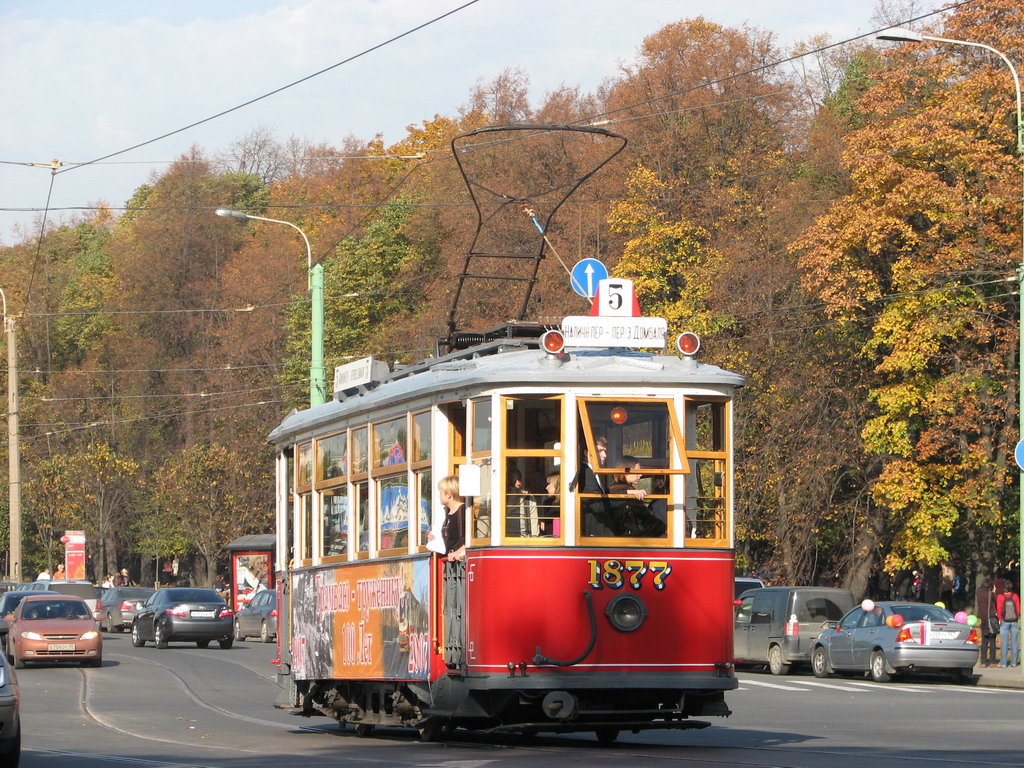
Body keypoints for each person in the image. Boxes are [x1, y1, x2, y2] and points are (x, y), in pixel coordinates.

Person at [428, 475, 466, 562]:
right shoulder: (448, 513)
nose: (439, 496)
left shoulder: (463, 512)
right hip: (449, 566)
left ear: (449, 495)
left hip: (458, 566)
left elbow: (471, 539)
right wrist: (435, 537)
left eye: (440, 493)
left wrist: (457, 552)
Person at [996, 580, 1020, 668]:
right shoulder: (1015, 596)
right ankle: (1014, 662)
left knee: (1004, 642)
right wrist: (1017, 617)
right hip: (1014, 620)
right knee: (1014, 641)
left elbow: (999, 609)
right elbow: (1018, 608)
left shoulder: (1000, 597)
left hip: (1004, 621)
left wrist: (1000, 619)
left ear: (1004, 588)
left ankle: (1003, 663)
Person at [976, 578, 998, 668]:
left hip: (983, 618)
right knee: (992, 640)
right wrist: (994, 591)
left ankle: (983, 661)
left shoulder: (978, 593)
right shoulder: (990, 594)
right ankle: (992, 661)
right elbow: (995, 603)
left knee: (984, 640)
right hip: (991, 618)